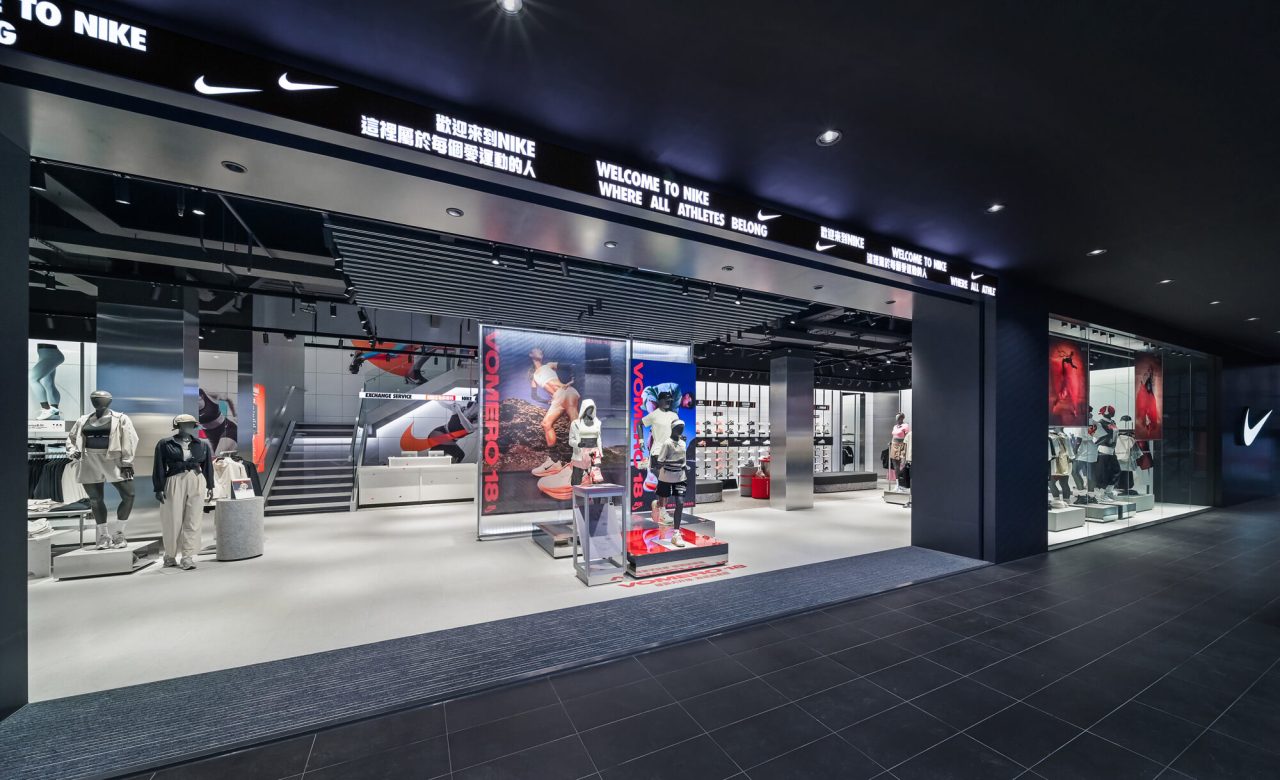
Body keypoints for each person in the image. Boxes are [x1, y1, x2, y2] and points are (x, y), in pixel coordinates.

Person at [152, 414, 215, 570]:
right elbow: (159, 466)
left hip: (196, 480)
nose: (187, 426)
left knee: (193, 519)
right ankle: (170, 554)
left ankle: (187, 556)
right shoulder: (165, 443)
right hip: (174, 480)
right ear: (177, 426)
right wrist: (159, 488)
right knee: (171, 519)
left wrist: (210, 485)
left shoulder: (201, 444)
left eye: (190, 424)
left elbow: (207, 466)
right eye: (184, 423)